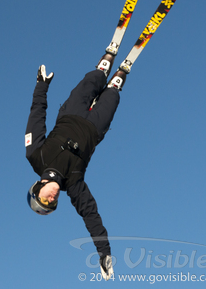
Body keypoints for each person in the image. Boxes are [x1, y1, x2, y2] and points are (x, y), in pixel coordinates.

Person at [25, 53, 127, 280]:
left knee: (93, 79)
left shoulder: (35, 156)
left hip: (71, 113)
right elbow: (90, 215)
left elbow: (36, 117)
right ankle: (120, 75)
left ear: (37, 189)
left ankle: (106, 61)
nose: (51, 200)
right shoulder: (73, 184)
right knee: (112, 94)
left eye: (44, 201)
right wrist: (104, 253)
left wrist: (41, 87)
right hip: (94, 128)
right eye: (52, 204)